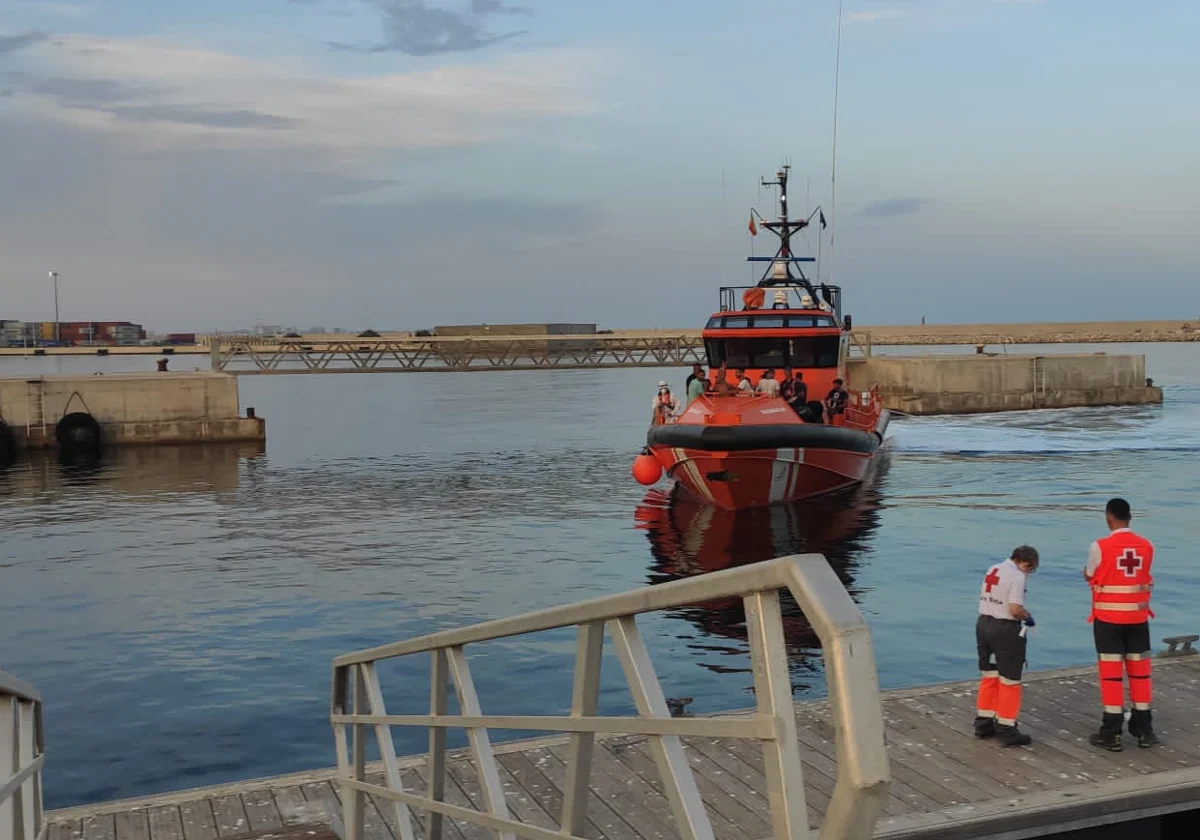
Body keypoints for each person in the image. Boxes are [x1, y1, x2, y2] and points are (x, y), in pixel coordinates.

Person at [1084, 498, 1158, 751]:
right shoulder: (1147, 546)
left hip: (1108, 620)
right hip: (1138, 619)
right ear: (1130, 516)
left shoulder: (1100, 546)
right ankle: (1144, 730)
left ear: (1109, 517)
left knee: (1112, 676)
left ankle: (1111, 732)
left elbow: (1092, 573)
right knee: (1140, 673)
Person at [975, 546, 1039, 747]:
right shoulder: (1017, 576)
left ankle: (983, 723)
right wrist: (1027, 617)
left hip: (984, 624)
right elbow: (1014, 609)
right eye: (1031, 570)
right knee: (1010, 680)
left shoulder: (993, 569)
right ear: (1025, 563)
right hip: (1005, 629)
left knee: (990, 675)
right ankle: (1007, 729)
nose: (1028, 574)